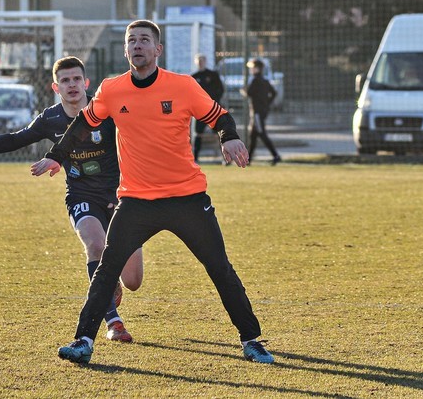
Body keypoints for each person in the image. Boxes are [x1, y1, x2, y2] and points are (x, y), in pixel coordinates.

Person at [31, 20, 274, 365]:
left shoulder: (183, 86)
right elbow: (82, 125)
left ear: (157, 50)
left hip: (187, 199)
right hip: (136, 201)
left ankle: (252, 340)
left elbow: (219, 116)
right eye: (132, 41)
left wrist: (229, 136)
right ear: (126, 50)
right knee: (106, 269)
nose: (138, 45)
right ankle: (83, 340)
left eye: (145, 40)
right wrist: (55, 156)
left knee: (220, 268)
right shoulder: (112, 90)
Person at [0, 56, 143, 343]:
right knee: (95, 245)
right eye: (65, 80)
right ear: (56, 87)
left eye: (77, 79)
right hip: (81, 196)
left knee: (133, 281)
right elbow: (15, 139)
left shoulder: (106, 110)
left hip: (120, 196)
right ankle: (113, 321)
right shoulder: (50, 119)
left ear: (86, 83)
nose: (72, 85)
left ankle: (111, 281)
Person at [244, 58, 282, 166]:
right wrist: (267, 104)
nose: (251, 70)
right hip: (262, 111)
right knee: (253, 135)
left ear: (256, 69)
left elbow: (249, 93)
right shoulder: (265, 81)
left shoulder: (255, 80)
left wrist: (244, 91)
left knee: (261, 133)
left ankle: (276, 155)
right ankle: (248, 159)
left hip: (257, 112)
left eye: (252, 68)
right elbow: (273, 93)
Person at [191, 54, 224, 162]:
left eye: (203, 60)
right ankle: (195, 158)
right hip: (200, 111)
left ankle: (225, 158)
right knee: (198, 134)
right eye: (199, 60)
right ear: (196, 62)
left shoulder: (213, 75)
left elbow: (220, 89)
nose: (201, 62)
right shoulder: (193, 77)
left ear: (206, 61)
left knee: (219, 133)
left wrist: (214, 102)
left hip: (212, 109)